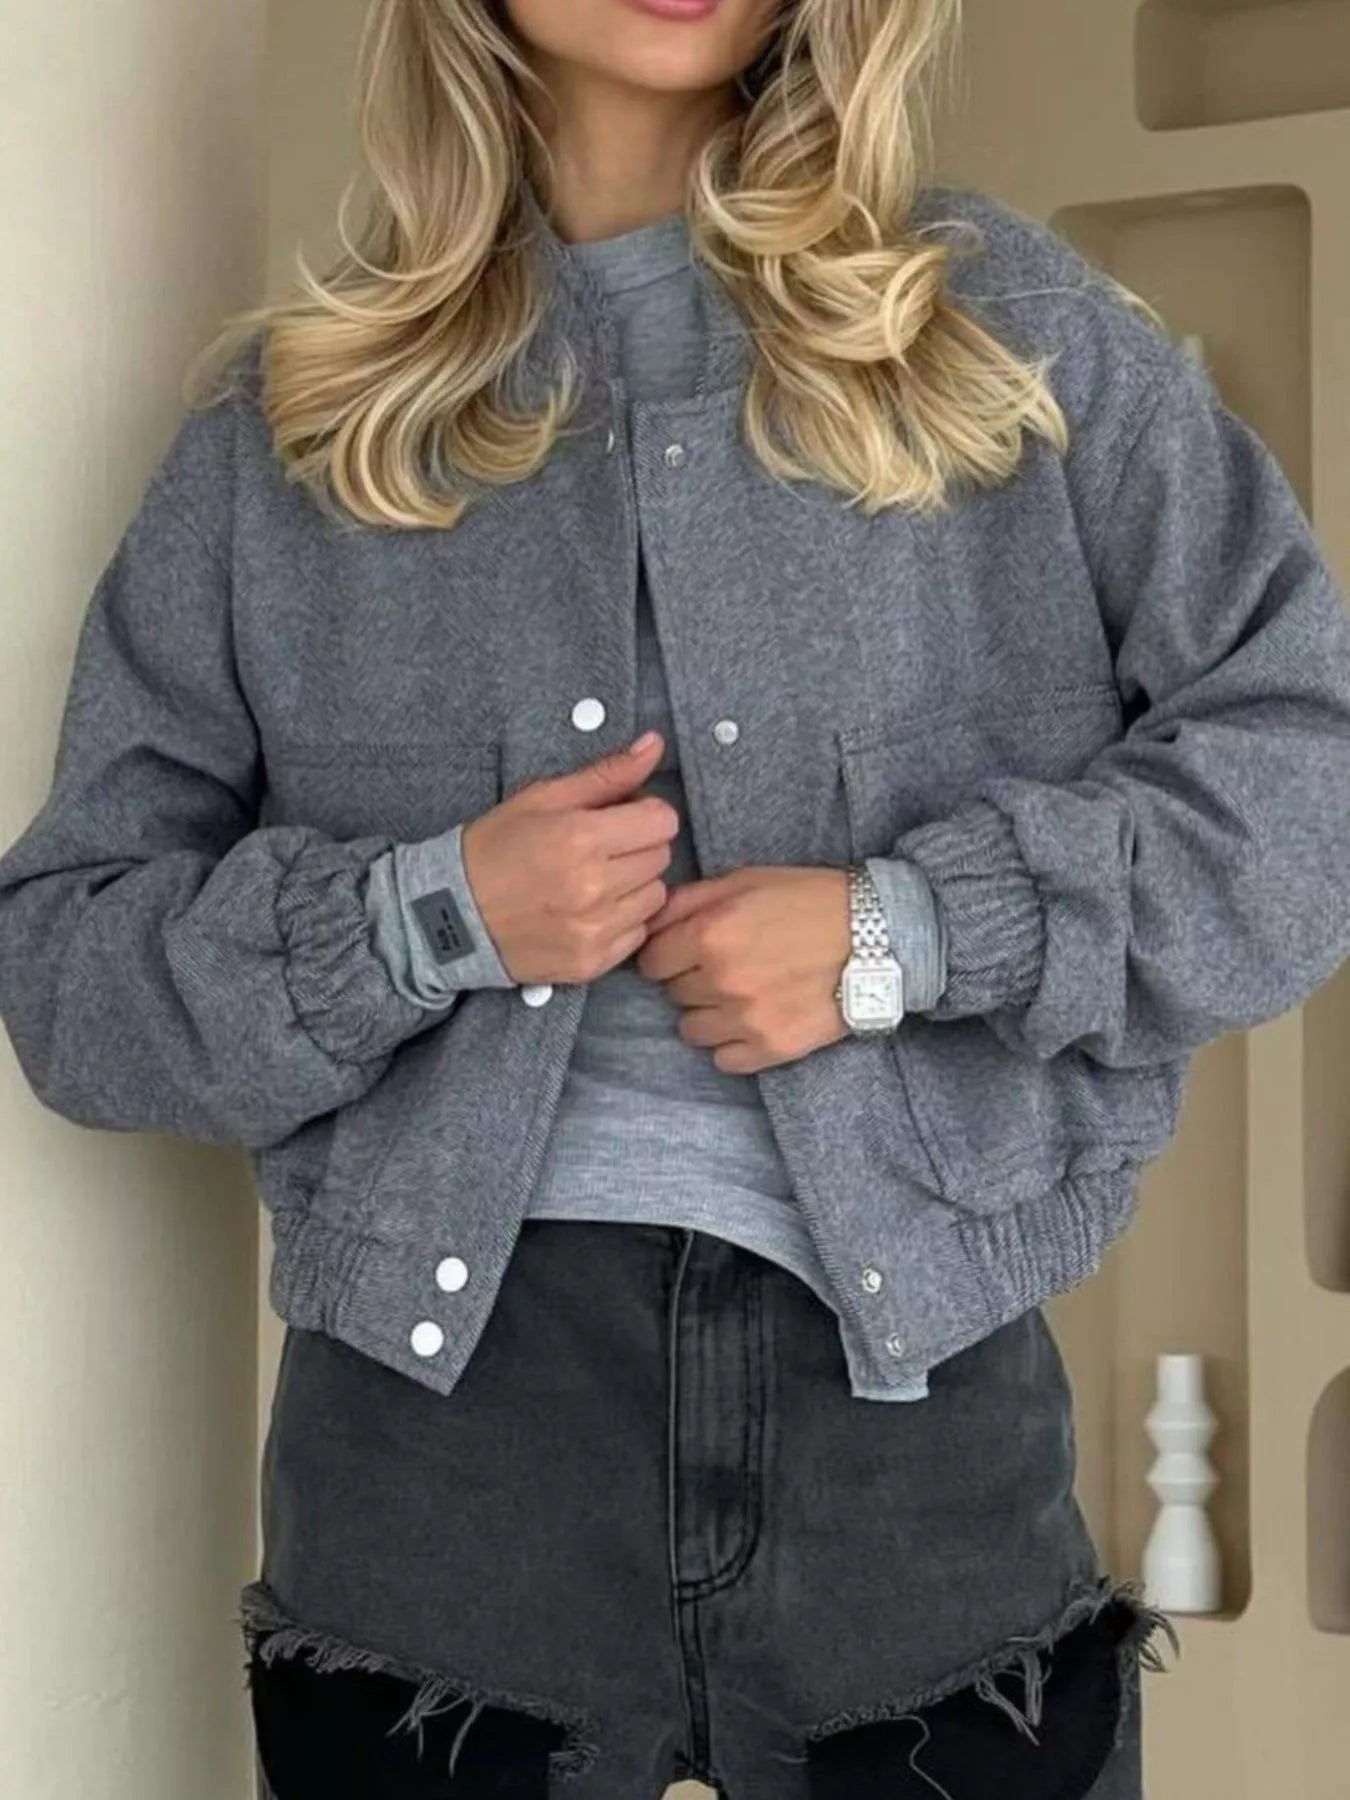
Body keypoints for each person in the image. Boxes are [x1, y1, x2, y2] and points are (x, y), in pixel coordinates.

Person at [2, 0, 1349, 1794]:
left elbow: (1306, 783)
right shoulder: (291, 431)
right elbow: (69, 967)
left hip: (913, 1456)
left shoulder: (1002, 335)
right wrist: (422, 919)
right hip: (440, 1469)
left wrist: (902, 935)